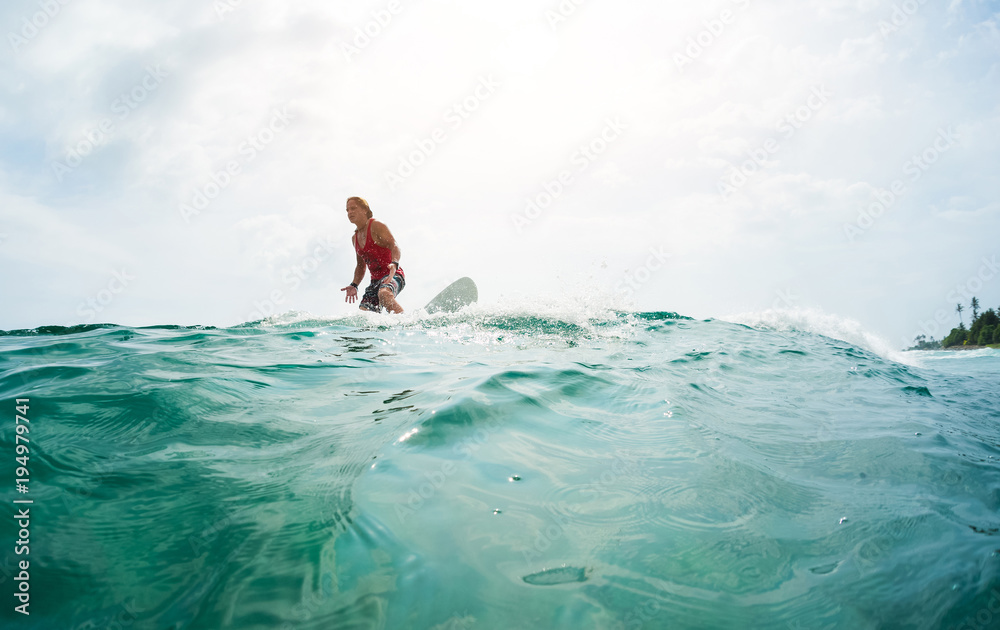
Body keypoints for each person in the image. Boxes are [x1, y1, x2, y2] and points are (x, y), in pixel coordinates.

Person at [341, 197, 405, 313]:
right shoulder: (354, 238)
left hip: (392, 275)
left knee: (384, 294)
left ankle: (407, 324)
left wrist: (394, 263)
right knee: (364, 314)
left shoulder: (376, 225)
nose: (350, 212)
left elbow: (394, 245)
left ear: (365, 210)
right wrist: (354, 284)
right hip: (375, 282)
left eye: (353, 208)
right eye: (347, 210)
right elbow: (361, 266)